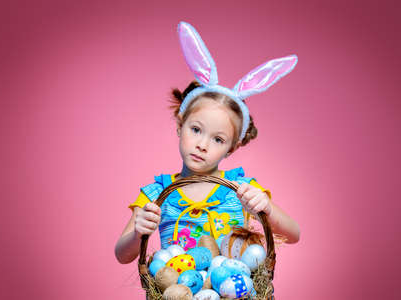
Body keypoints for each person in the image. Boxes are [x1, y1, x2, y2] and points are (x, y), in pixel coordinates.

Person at [115, 22, 300, 265]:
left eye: (218, 139)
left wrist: (266, 208)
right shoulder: (155, 194)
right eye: (196, 130)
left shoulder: (241, 189)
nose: (203, 145)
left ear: (231, 148)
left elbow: (293, 235)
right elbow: (122, 255)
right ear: (180, 127)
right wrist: (139, 232)